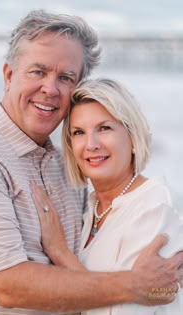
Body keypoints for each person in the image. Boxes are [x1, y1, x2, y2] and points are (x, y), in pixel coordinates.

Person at [0, 9, 182, 315]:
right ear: (8, 75)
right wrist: (136, 285)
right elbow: (8, 285)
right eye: (38, 72)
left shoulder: (69, 169)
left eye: (66, 77)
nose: (50, 88)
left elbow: (159, 288)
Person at [30, 78, 183, 314]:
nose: (91, 144)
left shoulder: (156, 206)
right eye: (79, 132)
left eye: (104, 128)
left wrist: (60, 253)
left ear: (132, 138)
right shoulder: (92, 208)